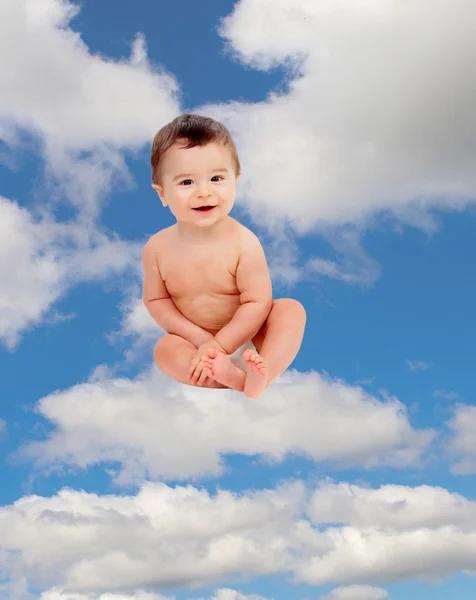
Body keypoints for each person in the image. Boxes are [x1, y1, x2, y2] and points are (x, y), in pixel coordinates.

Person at [142, 114, 306, 398]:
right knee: (165, 350)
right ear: (162, 194)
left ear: (235, 181)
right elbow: (156, 300)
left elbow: (256, 302)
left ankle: (265, 371)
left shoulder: (244, 243)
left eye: (216, 178)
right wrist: (202, 341)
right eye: (186, 182)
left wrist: (222, 345)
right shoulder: (157, 248)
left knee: (290, 311)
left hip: (251, 338)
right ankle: (233, 380)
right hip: (196, 347)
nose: (204, 192)